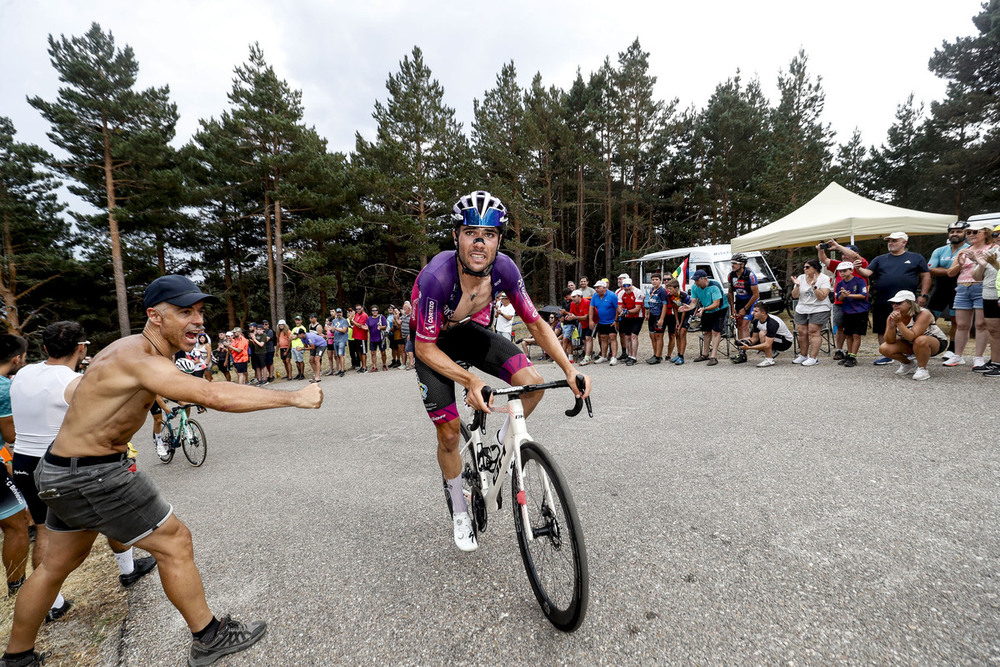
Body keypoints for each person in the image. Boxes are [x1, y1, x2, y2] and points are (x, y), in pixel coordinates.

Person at [1, 275, 323, 667]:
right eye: (185, 312)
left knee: (54, 565)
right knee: (175, 543)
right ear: (154, 316)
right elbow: (211, 394)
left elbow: (106, 395)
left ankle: (17, 657)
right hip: (94, 474)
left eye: (201, 312)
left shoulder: (126, 349)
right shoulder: (142, 358)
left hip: (58, 470)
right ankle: (210, 637)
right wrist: (294, 398)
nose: (199, 321)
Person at [412, 191, 589, 553]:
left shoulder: (506, 269)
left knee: (533, 383)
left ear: (499, 240)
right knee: (447, 435)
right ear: (456, 236)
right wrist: (470, 379)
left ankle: (506, 445)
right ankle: (460, 510)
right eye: (471, 232)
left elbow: (536, 323)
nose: (480, 242)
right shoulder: (436, 277)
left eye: (489, 234)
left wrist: (570, 369)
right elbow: (424, 347)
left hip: (468, 334)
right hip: (432, 346)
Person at [10, 322, 158, 624]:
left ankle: (55, 602)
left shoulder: (22, 374)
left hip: (23, 460)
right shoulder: (75, 381)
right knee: (108, 518)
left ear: (45, 349)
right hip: (60, 463)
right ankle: (127, 569)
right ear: (82, 347)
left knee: (43, 531)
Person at [856, 232, 931, 365]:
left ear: (904, 242)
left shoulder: (916, 257)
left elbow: (926, 276)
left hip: (907, 301)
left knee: (911, 325)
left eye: (895, 240)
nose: (891, 243)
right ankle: (887, 354)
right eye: (889, 240)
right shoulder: (880, 259)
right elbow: (867, 273)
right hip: (883, 298)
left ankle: (912, 352)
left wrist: (924, 294)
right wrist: (858, 269)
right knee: (881, 327)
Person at [944, 219, 996, 369]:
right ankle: (958, 355)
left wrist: (976, 261)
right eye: (968, 232)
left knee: (981, 324)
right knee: (961, 324)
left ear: (985, 233)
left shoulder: (992, 248)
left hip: (982, 287)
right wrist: (960, 263)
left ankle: (978, 358)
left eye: (975, 232)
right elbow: (950, 273)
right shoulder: (964, 250)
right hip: (962, 288)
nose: (970, 235)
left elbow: (994, 270)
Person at [0, 335, 29, 601]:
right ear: (17, 358)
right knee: (17, 524)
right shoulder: (3, 388)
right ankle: (18, 587)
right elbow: (10, 434)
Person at [878, 290, 950, 381]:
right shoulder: (894, 316)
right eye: (893, 303)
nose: (894, 305)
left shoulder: (924, 313)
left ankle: (922, 368)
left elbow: (912, 336)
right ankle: (908, 364)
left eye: (899, 303)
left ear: (910, 304)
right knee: (884, 348)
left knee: (920, 340)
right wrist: (891, 327)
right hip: (911, 343)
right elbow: (890, 341)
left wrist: (899, 323)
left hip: (935, 342)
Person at [817, 241, 869, 360]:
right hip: (841, 302)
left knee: (855, 332)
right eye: (842, 254)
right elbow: (824, 260)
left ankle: (851, 354)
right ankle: (839, 350)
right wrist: (820, 250)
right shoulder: (839, 265)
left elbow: (856, 257)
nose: (844, 256)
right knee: (840, 327)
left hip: (857, 304)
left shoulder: (860, 263)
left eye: (846, 253)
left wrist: (838, 246)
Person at [927, 221, 969, 362]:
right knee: (929, 318)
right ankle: (927, 345)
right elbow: (931, 269)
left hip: (960, 288)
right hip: (940, 288)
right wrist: (951, 270)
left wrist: (943, 270)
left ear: (965, 233)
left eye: (958, 231)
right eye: (952, 231)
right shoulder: (939, 250)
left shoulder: (969, 249)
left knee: (956, 321)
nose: (955, 234)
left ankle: (953, 350)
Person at [791, 259, 832, 366]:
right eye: (804, 267)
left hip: (819, 307)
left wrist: (814, 287)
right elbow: (794, 296)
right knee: (801, 331)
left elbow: (822, 297)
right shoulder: (800, 278)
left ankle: (813, 357)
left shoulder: (824, 278)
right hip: (802, 307)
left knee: (813, 331)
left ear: (815, 268)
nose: (805, 269)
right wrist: (798, 286)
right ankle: (803, 355)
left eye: (807, 267)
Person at [681, 270, 727, 366]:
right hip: (705, 309)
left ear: (704, 279)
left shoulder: (714, 286)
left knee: (715, 331)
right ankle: (705, 354)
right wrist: (689, 307)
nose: (695, 282)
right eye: (695, 280)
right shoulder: (695, 287)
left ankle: (713, 356)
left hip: (719, 309)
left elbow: (716, 304)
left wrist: (704, 309)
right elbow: (693, 302)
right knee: (706, 331)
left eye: (697, 280)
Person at [973, 225, 1000, 377]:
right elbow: (976, 277)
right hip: (988, 294)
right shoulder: (992, 251)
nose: (999, 236)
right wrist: (982, 265)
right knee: (994, 331)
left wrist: (995, 264)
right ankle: (995, 362)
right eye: (996, 233)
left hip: (999, 294)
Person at [834, 262, 871, 367]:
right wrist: (843, 295)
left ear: (851, 270)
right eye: (840, 271)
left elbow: (863, 295)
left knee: (856, 334)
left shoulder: (859, 281)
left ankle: (853, 356)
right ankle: (849, 355)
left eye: (845, 271)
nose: (842, 273)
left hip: (860, 311)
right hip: (847, 311)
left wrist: (849, 295)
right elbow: (839, 299)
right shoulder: (840, 284)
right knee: (848, 334)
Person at [734, 302, 794, 367]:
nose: (753, 313)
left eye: (756, 311)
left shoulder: (772, 323)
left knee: (762, 333)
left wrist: (749, 347)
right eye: (753, 311)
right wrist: (744, 342)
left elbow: (767, 344)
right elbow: (754, 338)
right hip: (774, 338)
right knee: (752, 338)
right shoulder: (756, 321)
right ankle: (772, 352)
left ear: (763, 313)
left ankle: (769, 359)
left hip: (785, 342)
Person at [727, 253, 760, 364]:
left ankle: (744, 351)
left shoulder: (750, 275)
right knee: (739, 326)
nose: (732, 265)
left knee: (745, 325)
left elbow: (756, 295)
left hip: (750, 302)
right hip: (739, 301)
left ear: (743, 264)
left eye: (735, 263)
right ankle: (741, 351)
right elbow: (730, 292)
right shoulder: (731, 275)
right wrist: (733, 307)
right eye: (732, 263)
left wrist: (745, 308)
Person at [589, 279, 620, 365]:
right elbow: (591, 308)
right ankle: (603, 356)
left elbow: (617, 308)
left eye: (598, 287)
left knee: (612, 337)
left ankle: (614, 357)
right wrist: (591, 320)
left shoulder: (612, 296)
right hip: (601, 321)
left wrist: (616, 320)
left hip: (611, 321)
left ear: (604, 288)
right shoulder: (595, 296)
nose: (596, 289)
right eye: (595, 288)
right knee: (603, 338)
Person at [664, 278, 692, 364]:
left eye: (671, 289)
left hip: (688, 313)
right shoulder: (670, 296)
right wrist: (677, 321)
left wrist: (680, 324)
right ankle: (679, 354)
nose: (669, 290)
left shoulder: (683, 295)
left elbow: (684, 311)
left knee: (682, 332)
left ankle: (682, 356)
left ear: (676, 288)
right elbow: (675, 308)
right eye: (668, 288)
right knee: (677, 333)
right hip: (679, 313)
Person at [617, 278, 644, 366]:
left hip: (638, 316)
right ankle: (629, 354)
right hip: (627, 316)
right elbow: (619, 307)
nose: (627, 290)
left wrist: (626, 311)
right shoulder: (621, 293)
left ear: (631, 285)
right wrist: (621, 312)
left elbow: (637, 309)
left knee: (634, 335)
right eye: (625, 288)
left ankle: (634, 356)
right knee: (627, 336)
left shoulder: (638, 292)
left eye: (628, 288)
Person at [565, 290, 592, 365]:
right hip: (582, 323)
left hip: (592, 321)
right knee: (584, 339)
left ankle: (587, 357)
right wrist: (568, 315)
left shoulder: (586, 302)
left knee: (588, 337)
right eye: (572, 297)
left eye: (574, 297)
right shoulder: (572, 304)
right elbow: (571, 313)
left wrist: (575, 317)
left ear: (580, 296)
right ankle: (588, 356)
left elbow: (586, 317)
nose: (572, 298)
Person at [368, 305, 389, 372]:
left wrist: (380, 327)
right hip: (372, 338)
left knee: (383, 352)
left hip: (381, 338)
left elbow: (385, 326)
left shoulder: (381, 317)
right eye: (373, 311)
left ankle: (384, 364)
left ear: (378, 311)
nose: (374, 312)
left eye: (376, 310)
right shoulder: (369, 319)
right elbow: (367, 327)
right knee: (373, 353)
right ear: (371, 312)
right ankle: (374, 366)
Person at [330, 309, 350, 377]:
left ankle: (342, 369)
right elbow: (332, 330)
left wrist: (335, 328)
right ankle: (339, 369)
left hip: (342, 340)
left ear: (342, 313)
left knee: (341, 354)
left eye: (340, 312)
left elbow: (344, 330)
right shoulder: (334, 321)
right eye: (338, 312)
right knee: (337, 355)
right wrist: (332, 329)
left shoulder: (344, 320)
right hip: (335, 340)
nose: (339, 314)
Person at [349, 305, 369, 374]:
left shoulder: (364, 315)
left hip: (362, 336)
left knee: (363, 352)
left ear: (362, 308)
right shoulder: (356, 314)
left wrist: (352, 320)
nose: (358, 310)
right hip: (356, 336)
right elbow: (353, 323)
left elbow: (360, 325)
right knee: (359, 352)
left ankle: (364, 367)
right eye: (357, 309)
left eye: (359, 309)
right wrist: (351, 317)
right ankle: (362, 365)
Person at [290, 316, 307, 380]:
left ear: (301, 321)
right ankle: (299, 373)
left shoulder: (302, 328)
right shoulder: (294, 328)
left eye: (299, 320)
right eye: (296, 320)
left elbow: (296, 337)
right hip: (293, 346)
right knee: (296, 361)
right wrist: (293, 337)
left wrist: (294, 337)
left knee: (300, 361)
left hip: (299, 346)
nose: (297, 321)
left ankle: (302, 374)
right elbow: (290, 337)